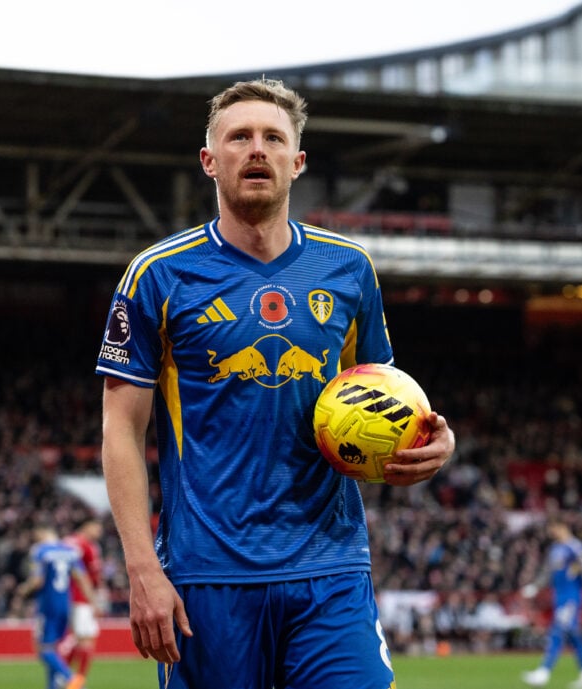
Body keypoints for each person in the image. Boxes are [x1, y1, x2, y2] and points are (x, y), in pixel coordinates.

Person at [96, 77, 455, 689]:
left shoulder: (349, 269)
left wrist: (432, 440)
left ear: (298, 160)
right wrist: (141, 569)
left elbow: (381, 392)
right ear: (210, 161)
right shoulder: (157, 275)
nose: (256, 149)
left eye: (272, 137)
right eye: (239, 137)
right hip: (208, 577)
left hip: (330, 566)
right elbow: (121, 430)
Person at [519, 517, 582, 689]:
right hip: (559, 597)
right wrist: (535, 586)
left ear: (562, 527)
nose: (551, 532)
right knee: (573, 635)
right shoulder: (555, 549)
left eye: (553, 528)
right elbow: (548, 572)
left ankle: (544, 671)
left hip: (572, 597)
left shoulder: (576, 548)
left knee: (557, 631)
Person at [16, 524, 96, 689]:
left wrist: (23, 590)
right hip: (65, 605)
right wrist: (93, 602)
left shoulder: (40, 551)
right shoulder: (70, 551)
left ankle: (71, 678)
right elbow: (81, 579)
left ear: (41, 532)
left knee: (43, 649)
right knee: (54, 648)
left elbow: (38, 581)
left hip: (47, 605)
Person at [62, 518, 107, 681]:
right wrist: (94, 600)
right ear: (87, 525)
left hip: (78, 597)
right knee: (85, 640)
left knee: (79, 639)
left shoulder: (80, 543)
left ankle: (67, 676)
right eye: (97, 527)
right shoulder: (80, 544)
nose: (99, 532)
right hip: (80, 597)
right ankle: (76, 679)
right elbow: (79, 574)